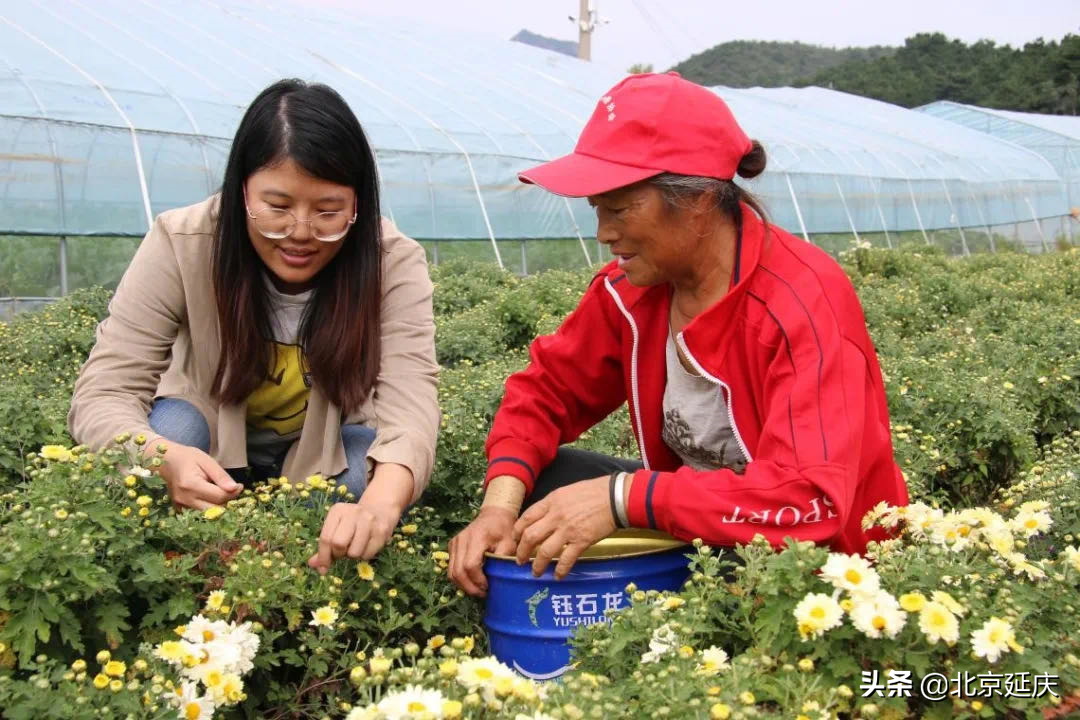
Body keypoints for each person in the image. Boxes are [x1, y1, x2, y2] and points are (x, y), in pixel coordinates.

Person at [448, 72, 908, 597]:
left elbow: (810, 498)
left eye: (619, 208)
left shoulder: (802, 301)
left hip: (818, 564)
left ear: (699, 200)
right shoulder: (631, 292)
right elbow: (545, 392)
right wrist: (499, 508)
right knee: (546, 483)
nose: (604, 233)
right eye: (597, 209)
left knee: (728, 564)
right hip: (699, 528)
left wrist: (624, 498)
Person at [68, 79, 439, 574]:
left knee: (365, 479)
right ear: (242, 189)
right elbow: (106, 390)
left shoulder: (390, 261)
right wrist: (162, 456)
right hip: (205, 430)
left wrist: (379, 507)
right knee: (160, 441)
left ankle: (300, 574)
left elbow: (411, 405)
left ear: (358, 204)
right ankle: (178, 572)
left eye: (328, 211)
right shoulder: (184, 240)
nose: (301, 233)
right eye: (277, 207)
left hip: (321, 448)